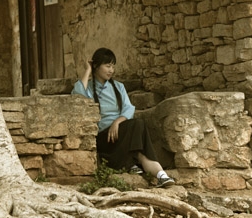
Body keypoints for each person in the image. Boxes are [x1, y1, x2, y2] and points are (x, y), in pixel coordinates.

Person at [72, 47, 175, 188]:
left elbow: (128, 108)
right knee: (138, 125)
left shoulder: (118, 87)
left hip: (121, 133)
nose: (111, 70)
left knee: (138, 140)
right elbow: (77, 96)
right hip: (105, 139)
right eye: (107, 66)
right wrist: (88, 70)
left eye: (113, 66)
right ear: (96, 66)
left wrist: (117, 122)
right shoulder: (88, 88)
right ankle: (155, 173)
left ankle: (159, 174)